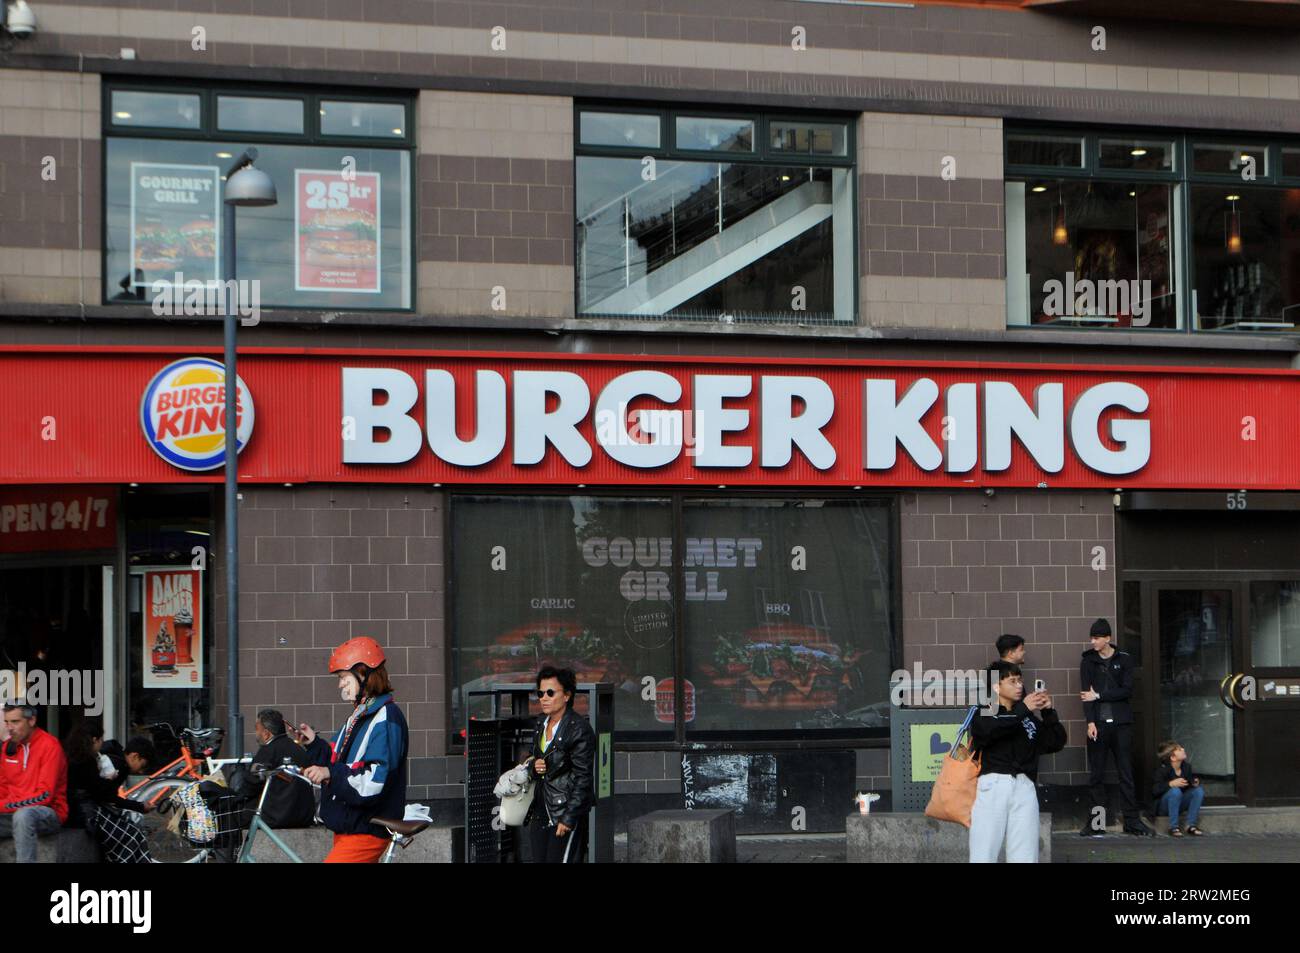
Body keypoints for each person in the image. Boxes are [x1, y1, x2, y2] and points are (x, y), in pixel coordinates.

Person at [298, 637, 408, 863]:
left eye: (343, 678)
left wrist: (330, 773)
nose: (340, 685)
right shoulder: (359, 716)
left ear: (362, 673)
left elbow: (373, 783)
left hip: (365, 830)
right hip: (351, 827)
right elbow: (336, 761)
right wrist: (313, 744)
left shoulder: (385, 718)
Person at [968, 661, 1066, 863]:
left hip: (1024, 786)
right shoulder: (985, 710)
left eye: (1020, 680)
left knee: (1025, 854)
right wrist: (1023, 709)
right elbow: (988, 732)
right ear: (996, 686)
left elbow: (1055, 742)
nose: (1019, 685)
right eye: (1012, 681)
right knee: (984, 852)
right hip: (993, 785)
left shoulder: (1027, 717)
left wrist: (1048, 712)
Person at [1079, 618, 1151, 837]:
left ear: (1108, 638)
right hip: (1098, 725)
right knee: (1097, 775)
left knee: (1125, 773)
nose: (1093, 642)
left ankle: (1132, 822)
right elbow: (1085, 695)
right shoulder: (1088, 662)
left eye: (1097, 638)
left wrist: (1099, 695)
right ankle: (1097, 823)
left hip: (1121, 725)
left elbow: (1126, 691)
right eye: (1092, 638)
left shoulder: (1125, 660)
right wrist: (1090, 722)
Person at [525, 665, 595, 863]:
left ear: (566, 696)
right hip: (540, 808)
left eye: (550, 692)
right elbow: (531, 759)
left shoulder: (579, 729)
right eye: (540, 693)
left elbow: (583, 778)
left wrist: (569, 817)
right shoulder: (541, 724)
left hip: (564, 810)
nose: (544, 698)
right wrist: (533, 766)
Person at [62, 718, 155, 863]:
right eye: (100, 740)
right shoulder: (95, 761)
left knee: (131, 834)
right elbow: (105, 795)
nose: (102, 745)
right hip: (86, 812)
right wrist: (138, 806)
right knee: (132, 836)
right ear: (94, 740)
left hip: (80, 809)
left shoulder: (76, 756)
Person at [0, 703, 68, 862]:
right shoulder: (8, 747)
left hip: (48, 813)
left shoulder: (50, 746)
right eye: (7, 722)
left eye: (15, 722)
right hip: (12, 813)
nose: (9, 728)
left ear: (31, 721)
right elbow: (3, 787)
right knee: (20, 816)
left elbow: (44, 796)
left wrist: (4, 806)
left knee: (24, 816)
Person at [247, 708, 316, 828]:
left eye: (256, 729)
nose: (256, 733)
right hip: (304, 816)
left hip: (276, 816)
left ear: (266, 733)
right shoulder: (298, 749)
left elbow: (251, 784)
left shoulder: (268, 751)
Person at [1152, 740, 1206, 837]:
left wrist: (1194, 782)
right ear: (1173, 757)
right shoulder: (1162, 771)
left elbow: (1189, 782)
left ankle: (1191, 825)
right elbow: (1155, 791)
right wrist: (1170, 784)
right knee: (1175, 791)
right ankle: (1173, 827)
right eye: (1179, 749)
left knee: (1198, 791)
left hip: (1179, 803)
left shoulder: (1186, 767)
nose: (1183, 749)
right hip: (1164, 806)